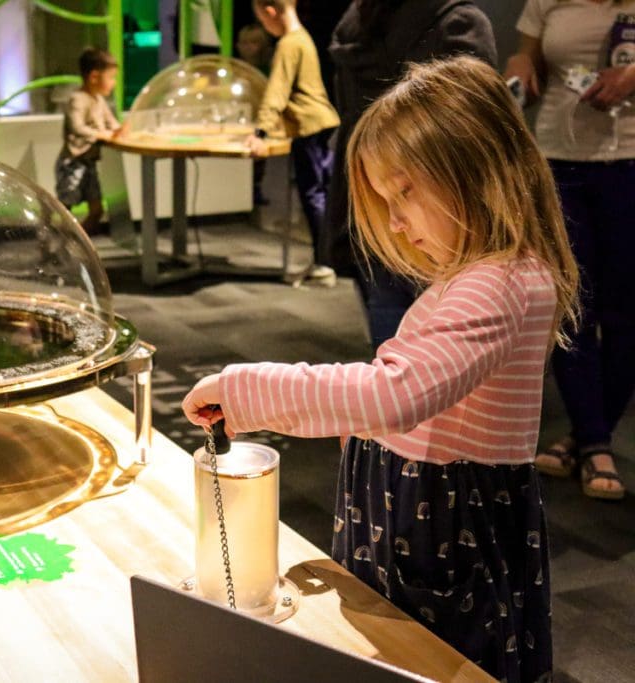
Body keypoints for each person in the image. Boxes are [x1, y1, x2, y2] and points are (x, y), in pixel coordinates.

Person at [183, 56, 579, 683]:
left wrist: (246, 390)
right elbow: (399, 396)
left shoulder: (498, 284)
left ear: (476, 168)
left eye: (405, 192)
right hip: (413, 517)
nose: (394, 222)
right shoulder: (480, 278)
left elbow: (396, 395)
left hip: (445, 532)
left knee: (437, 663)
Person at [505, 0, 635, 500]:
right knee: (570, 305)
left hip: (629, 162)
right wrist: (521, 66)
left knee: (625, 313)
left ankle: (583, 438)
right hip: (560, 160)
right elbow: (529, 59)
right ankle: (596, 444)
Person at [326, 0, 496, 349]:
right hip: (438, 206)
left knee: (391, 336)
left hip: (368, 191)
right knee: (450, 341)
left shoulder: (356, 23)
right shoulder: (457, 22)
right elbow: (478, 127)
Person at [248, 0, 341, 286]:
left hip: (310, 126)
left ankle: (326, 264)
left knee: (314, 194)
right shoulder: (303, 38)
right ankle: (326, 259)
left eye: (262, 19)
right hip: (319, 123)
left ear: (270, 12)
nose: (264, 26)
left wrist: (260, 132)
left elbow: (277, 90)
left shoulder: (289, 44)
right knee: (320, 192)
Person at [55, 48, 123, 236]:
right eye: (111, 77)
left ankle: (75, 243)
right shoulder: (78, 99)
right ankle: (53, 244)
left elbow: (112, 123)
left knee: (97, 210)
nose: (113, 83)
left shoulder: (99, 99)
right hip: (73, 163)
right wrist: (102, 135)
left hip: (89, 163)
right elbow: (77, 126)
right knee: (64, 209)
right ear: (94, 76)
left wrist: (121, 131)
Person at [236, 22, 275, 206]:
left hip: (261, 119)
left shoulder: (269, 70)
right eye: (244, 43)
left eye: (253, 43)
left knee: (260, 159)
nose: (248, 48)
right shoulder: (238, 71)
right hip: (244, 117)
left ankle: (256, 188)